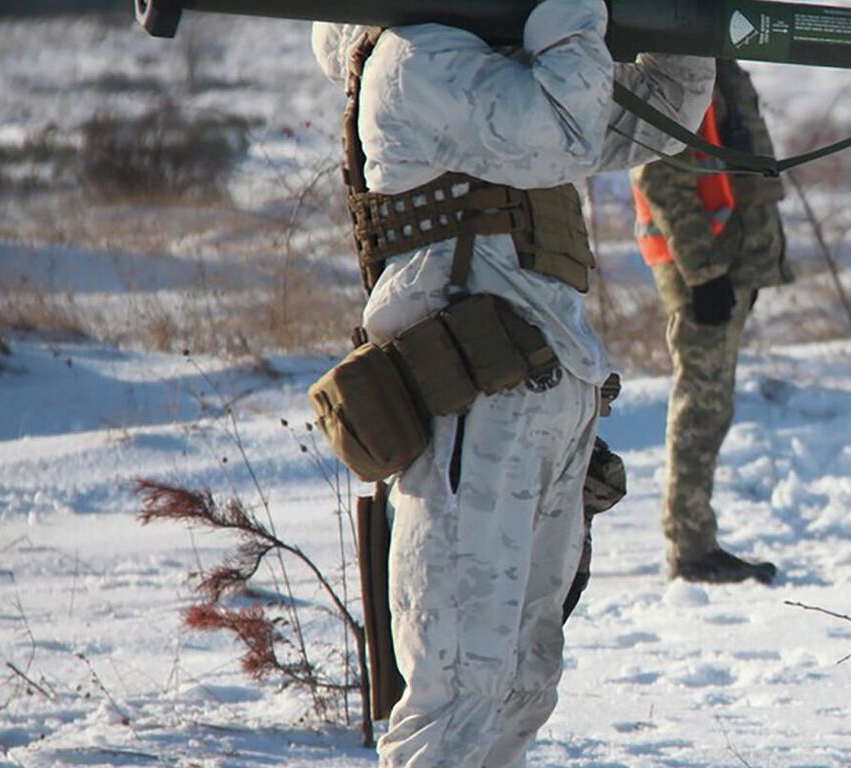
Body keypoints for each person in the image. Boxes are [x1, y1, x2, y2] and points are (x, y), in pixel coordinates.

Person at [310, 4, 712, 766]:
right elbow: (562, 129)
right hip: (477, 405)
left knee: (524, 684)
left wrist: (680, 24)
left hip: (539, 398)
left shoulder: (499, 75)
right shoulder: (415, 62)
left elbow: (663, 113)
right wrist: (571, 9)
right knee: (458, 691)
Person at [629, 60, 791, 585]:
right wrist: (703, 272)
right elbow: (656, 170)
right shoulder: (679, 58)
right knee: (702, 404)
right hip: (705, 265)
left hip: (729, 262)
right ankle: (691, 547)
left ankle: (694, 542)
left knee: (711, 404)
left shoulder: (719, 61)